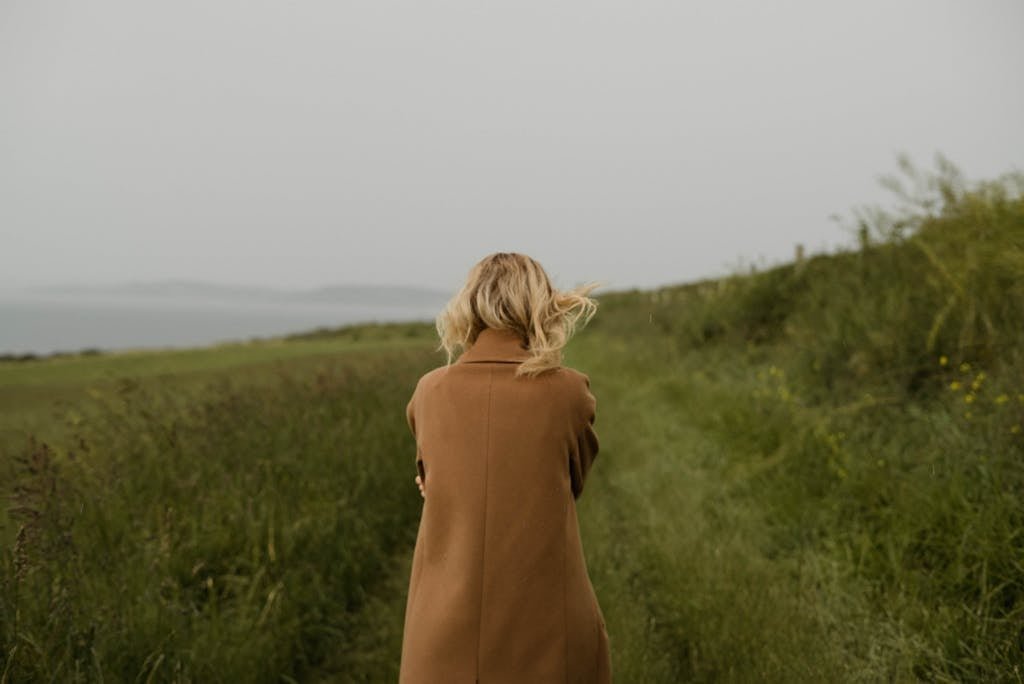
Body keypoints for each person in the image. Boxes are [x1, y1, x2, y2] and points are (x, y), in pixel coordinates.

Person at [398, 252, 611, 683]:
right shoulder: (569, 392)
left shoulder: (429, 392)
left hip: (440, 635)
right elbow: (575, 480)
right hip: (549, 631)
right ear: (539, 306)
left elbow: (429, 478)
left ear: (469, 306)